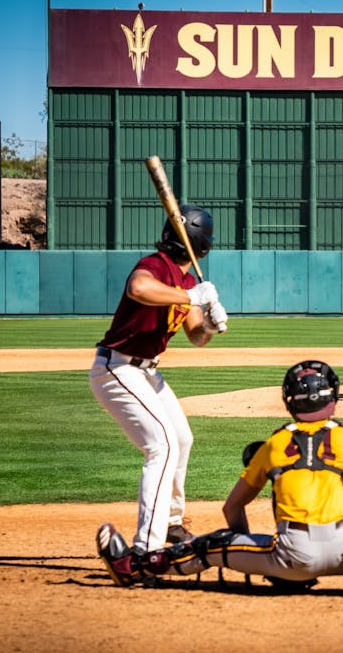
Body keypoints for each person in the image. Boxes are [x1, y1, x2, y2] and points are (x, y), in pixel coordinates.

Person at [95, 360, 343, 598]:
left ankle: (135, 566)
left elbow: (233, 507)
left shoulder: (274, 444)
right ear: (334, 396)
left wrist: (243, 542)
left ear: (288, 400)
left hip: (292, 553)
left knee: (210, 546)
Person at [90, 206, 229, 555]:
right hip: (116, 368)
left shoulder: (187, 281)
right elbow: (139, 288)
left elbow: (196, 335)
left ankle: (170, 523)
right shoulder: (157, 266)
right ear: (204, 246)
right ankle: (145, 550)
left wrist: (210, 323)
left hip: (147, 371)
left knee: (181, 439)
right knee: (161, 445)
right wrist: (191, 297)